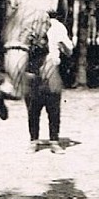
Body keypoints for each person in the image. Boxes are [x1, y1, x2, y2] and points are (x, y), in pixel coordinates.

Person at [25, 17, 74, 154]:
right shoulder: (28, 23)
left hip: (51, 67)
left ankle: (54, 141)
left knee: (53, 108)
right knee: (33, 108)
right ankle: (33, 140)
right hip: (32, 68)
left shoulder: (57, 27)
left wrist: (62, 45)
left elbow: (69, 50)